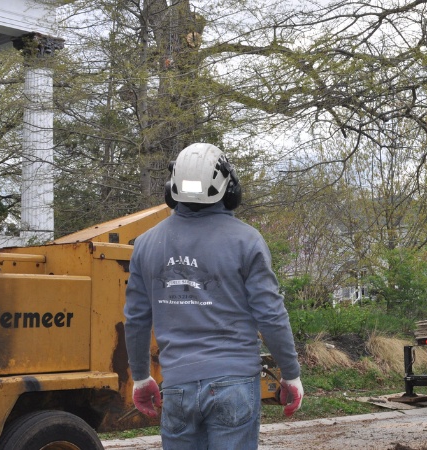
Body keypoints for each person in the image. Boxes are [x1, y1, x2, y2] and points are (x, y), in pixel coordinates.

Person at [124, 143, 303, 450]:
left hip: (178, 386)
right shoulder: (246, 240)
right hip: (234, 382)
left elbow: (136, 319)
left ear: (173, 187)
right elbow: (271, 314)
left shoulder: (145, 244)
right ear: (228, 187)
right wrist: (291, 374)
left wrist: (141, 378)